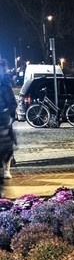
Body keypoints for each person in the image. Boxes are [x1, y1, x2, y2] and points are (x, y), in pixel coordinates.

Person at [0, 60, 16, 193]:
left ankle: (6, 170)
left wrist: (6, 114)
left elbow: (12, 104)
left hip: (3, 121)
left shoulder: (5, 87)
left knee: (6, 147)